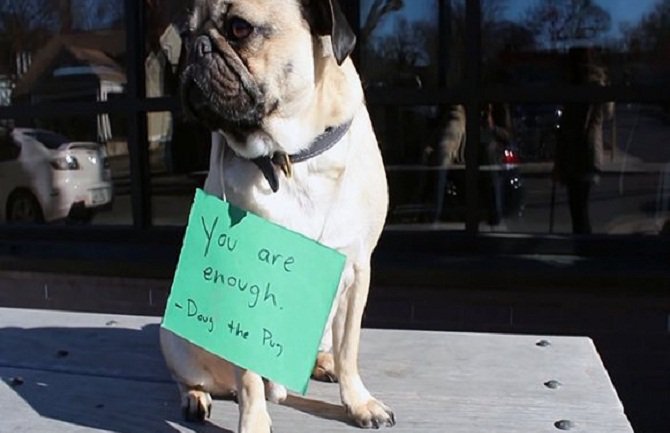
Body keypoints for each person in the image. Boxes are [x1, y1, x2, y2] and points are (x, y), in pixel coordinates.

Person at [554, 47, 613, 234]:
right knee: (579, 208)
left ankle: (584, 249)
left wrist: (562, 161)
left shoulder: (583, 88)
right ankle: (584, 248)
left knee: (578, 209)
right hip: (586, 154)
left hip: (579, 155)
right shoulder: (596, 86)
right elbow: (608, 114)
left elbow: (576, 127)